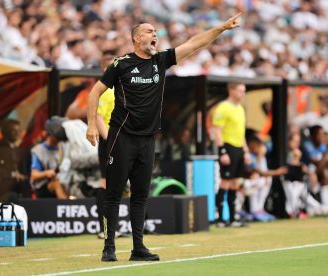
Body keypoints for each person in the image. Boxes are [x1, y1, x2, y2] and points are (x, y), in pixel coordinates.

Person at [86, 13, 242, 262]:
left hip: (147, 140)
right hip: (121, 137)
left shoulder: (160, 61)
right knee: (114, 193)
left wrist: (221, 28)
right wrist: (91, 125)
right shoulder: (121, 64)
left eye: (155, 32)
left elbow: (194, 43)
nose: (154, 34)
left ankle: (138, 247)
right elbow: (95, 93)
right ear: (137, 38)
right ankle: (109, 247)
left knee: (140, 195)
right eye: (149, 31)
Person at [213, 82, 251, 227]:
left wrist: (246, 151)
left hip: (239, 148)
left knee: (235, 183)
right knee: (225, 182)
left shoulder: (240, 109)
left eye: (244, 91)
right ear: (231, 90)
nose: (242, 94)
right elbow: (217, 131)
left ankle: (233, 218)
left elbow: (241, 133)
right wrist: (222, 151)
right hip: (227, 147)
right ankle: (220, 219)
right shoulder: (223, 107)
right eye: (240, 90)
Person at [95, 54, 115, 239]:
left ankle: (112, 226)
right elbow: (99, 118)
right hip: (109, 142)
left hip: (121, 141)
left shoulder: (119, 90)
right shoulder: (105, 91)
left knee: (119, 184)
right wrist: (110, 141)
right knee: (106, 182)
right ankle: (103, 228)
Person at [30, 116, 69, 199]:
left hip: (61, 181)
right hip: (43, 187)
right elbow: (34, 175)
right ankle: (65, 207)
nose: (59, 140)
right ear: (50, 134)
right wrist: (47, 173)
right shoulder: (38, 150)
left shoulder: (63, 147)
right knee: (56, 184)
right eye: (57, 137)